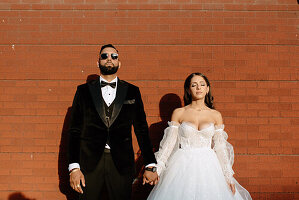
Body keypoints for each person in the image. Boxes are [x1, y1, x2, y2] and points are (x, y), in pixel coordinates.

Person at [67, 44, 158, 200]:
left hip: (121, 162)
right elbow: (74, 130)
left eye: (114, 56)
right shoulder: (83, 91)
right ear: (98, 63)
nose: (109, 59)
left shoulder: (132, 91)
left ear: (119, 63)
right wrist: (74, 168)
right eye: (104, 56)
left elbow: (141, 129)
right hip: (89, 163)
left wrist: (150, 164)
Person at [147, 73, 252, 200]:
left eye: (202, 84)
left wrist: (227, 176)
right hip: (182, 166)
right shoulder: (179, 113)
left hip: (209, 166)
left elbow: (220, 148)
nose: (198, 88)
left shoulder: (215, 115)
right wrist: (157, 169)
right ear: (188, 89)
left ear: (207, 89)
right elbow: (168, 145)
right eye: (194, 85)